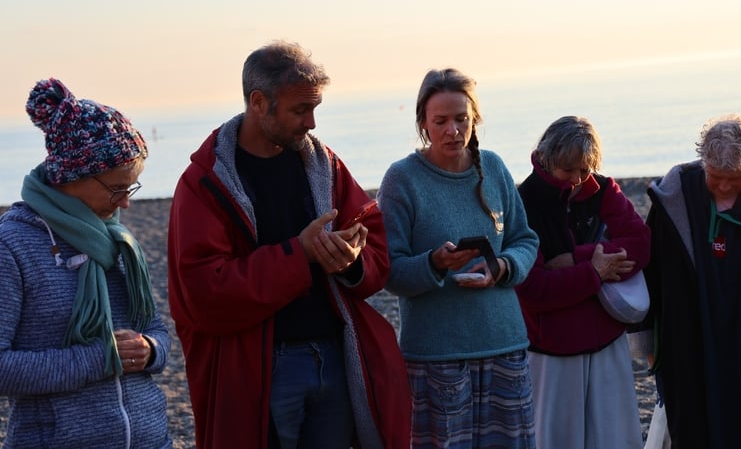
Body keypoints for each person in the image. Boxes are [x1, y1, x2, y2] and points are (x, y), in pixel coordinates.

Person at [167, 40, 410, 449]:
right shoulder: (204, 184)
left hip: (334, 357)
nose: (312, 123)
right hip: (259, 368)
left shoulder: (323, 164)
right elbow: (204, 293)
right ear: (259, 102)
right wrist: (301, 255)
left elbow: (375, 243)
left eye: (315, 109)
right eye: (301, 110)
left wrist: (350, 261)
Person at [0, 78, 171, 447]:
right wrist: (100, 358)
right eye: (117, 188)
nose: (125, 203)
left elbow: (156, 328)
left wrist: (150, 349)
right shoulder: (12, 245)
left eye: (132, 188)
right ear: (71, 176)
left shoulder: (116, 239)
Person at [377, 67, 539, 448]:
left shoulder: (494, 168)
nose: (453, 130)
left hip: (505, 347)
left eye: (461, 119)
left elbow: (525, 239)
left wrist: (501, 266)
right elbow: (389, 270)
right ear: (423, 124)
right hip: (436, 358)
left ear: (474, 119)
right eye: (441, 121)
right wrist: (434, 263)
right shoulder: (402, 179)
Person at [631, 113, 741, 448]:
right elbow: (652, 268)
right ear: (703, 163)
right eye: (716, 177)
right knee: (695, 421)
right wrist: (646, 337)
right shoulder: (676, 195)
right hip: (690, 332)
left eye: (733, 179)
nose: (723, 185)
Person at [515, 115, 651, 449]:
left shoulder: (603, 188)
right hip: (552, 352)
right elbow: (534, 290)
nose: (577, 180)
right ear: (547, 160)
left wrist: (579, 259)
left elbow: (641, 243)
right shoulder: (523, 202)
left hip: (607, 342)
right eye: (568, 170)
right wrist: (594, 273)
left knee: (618, 442)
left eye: (585, 169)